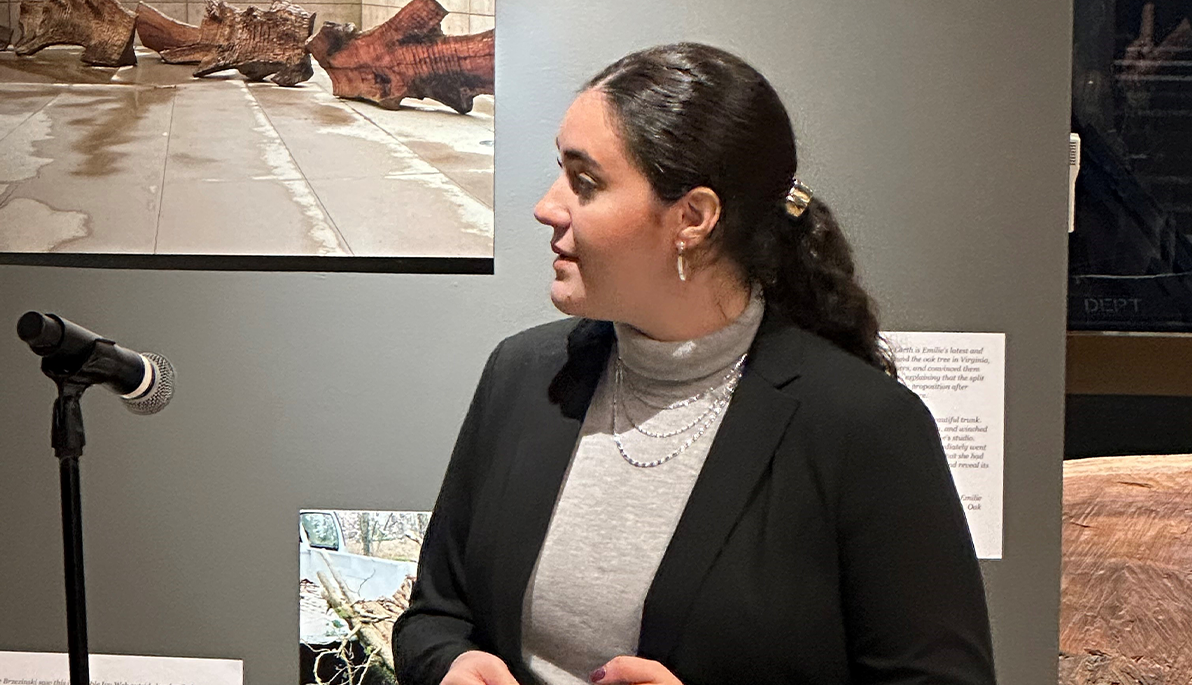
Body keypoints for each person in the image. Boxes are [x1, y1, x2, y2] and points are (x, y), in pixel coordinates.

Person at [393, 42, 996, 685]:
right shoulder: (524, 376)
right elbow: (434, 613)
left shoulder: (864, 427)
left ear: (694, 218)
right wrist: (450, 665)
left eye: (585, 182)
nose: (547, 206)